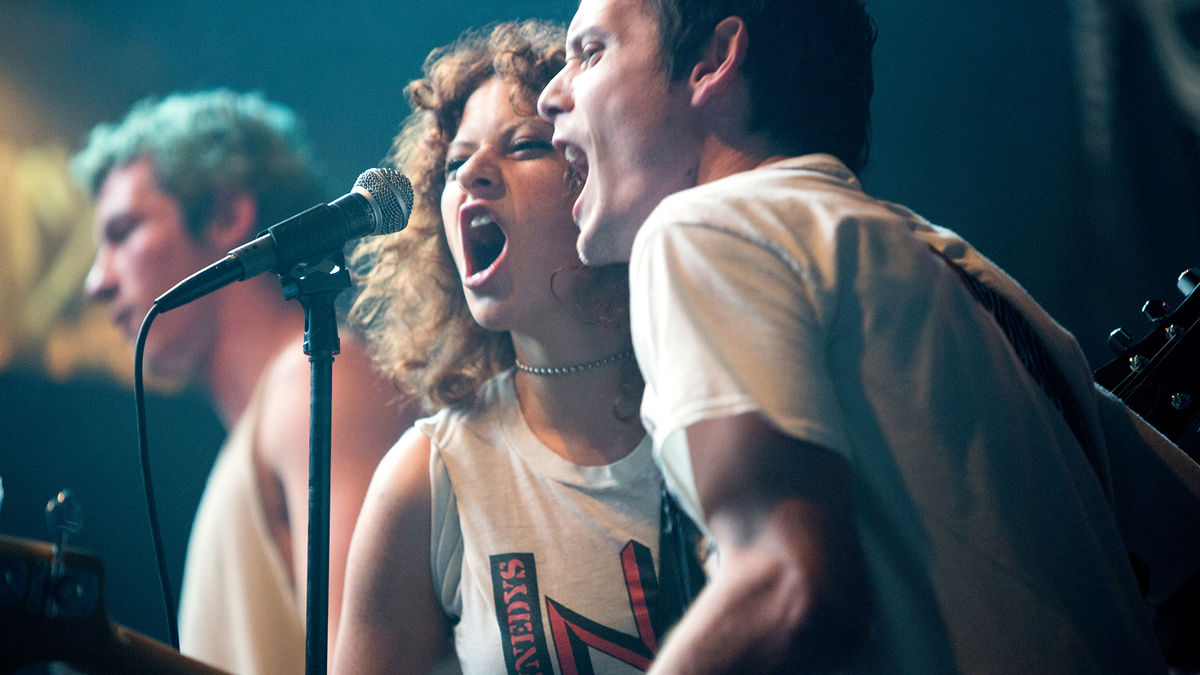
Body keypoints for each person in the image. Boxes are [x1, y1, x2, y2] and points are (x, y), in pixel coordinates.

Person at [537, 0, 1200, 671]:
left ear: (712, 62)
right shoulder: (975, 280)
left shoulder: (704, 228)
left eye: (590, 53)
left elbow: (785, 586)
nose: (548, 96)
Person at [334, 20, 684, 674]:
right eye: (456, 162)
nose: (472, 177)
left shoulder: (716, 401)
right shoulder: (429, 479)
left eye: (524, 145)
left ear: (602, 168)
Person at [73, 89, 419, 673]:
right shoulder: (272, 415)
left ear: (230, 214)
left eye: (123, 231)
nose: (95, 282)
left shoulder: (313, 388)